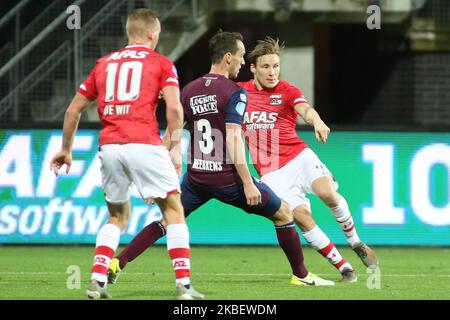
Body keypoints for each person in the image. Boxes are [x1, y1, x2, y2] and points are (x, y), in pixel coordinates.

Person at [108, 30, 334, 287]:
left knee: (167, 220)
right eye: (239, 56)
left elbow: (170, 136)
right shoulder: (234, 92)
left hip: (196, 178)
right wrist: (248, 183)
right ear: (228, 57)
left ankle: (118, 262)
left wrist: (154, 179)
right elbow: (234, 138)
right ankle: (302, 276)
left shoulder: (189, 90)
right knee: (283, 213)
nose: (241, 62)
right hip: (227, 179)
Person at [50, 8, 203, 300]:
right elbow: (173, 108)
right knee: (173, 211)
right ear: (152, 34)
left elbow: (73, 110)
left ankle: (97, 280)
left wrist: (66, 149)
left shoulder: (104, 63)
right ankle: (184, 286)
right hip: (144, 142)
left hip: (109, 147)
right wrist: (173, 148)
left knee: (117, 217)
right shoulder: (162, 63)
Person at [239, 37, 378, 281]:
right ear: (253, 68)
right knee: (301, 217)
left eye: (276, 66)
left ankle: (355, 242)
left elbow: (305, 109)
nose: (272, 73)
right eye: (266, 67)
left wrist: (317, 121)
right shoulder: (240, 93)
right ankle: (344, 267)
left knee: (327, 193)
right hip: (271, 171)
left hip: (299, 156)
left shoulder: (287, 91)